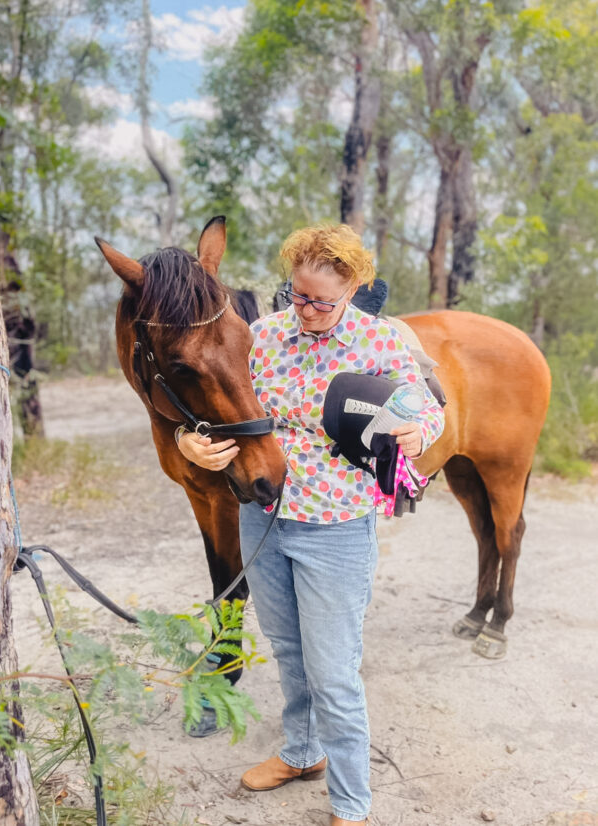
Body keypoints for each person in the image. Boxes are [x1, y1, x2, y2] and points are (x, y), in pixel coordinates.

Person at [177, 224, 445, 825]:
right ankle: (302, 753)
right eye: (299, 295)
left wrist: (416, 431)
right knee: (289, 651)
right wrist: (188, 441)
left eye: (324, 301)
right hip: (264, 519)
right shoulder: (265, 335)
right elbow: (213, 401)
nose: (309, 310)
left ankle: (351, 803)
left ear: (352, 289)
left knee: (333, 672)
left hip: (336, 528)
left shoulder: (379, 341)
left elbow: (426, 408)